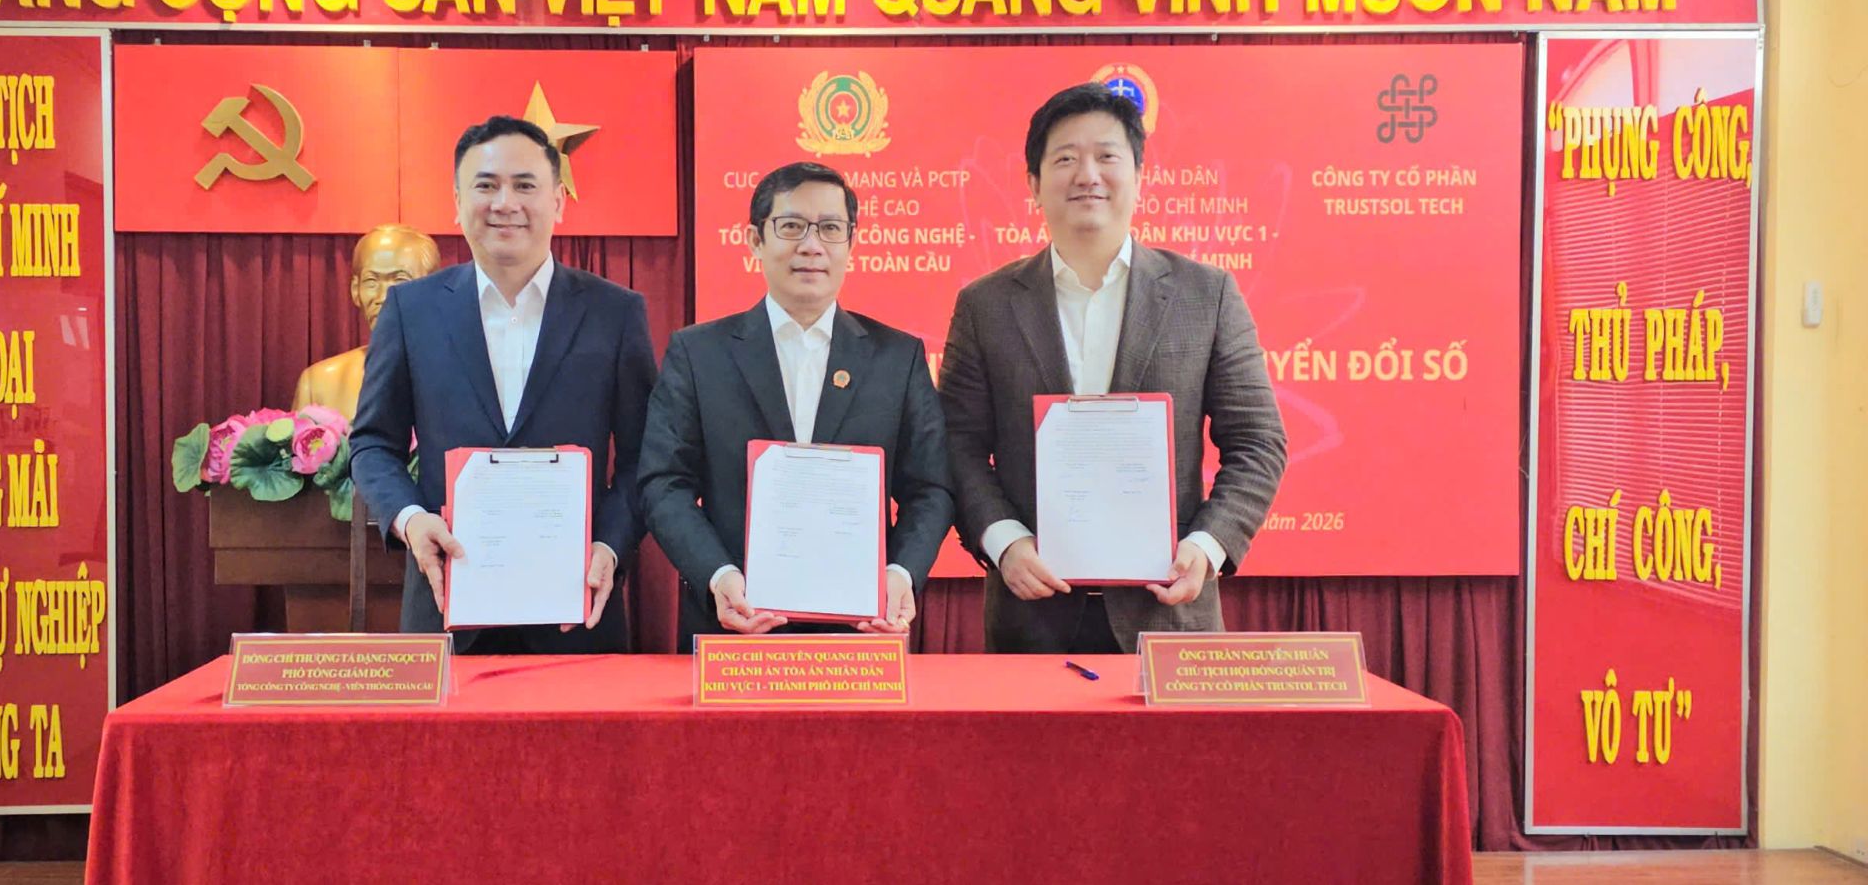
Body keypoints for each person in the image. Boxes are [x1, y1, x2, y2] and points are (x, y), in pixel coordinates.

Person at [939, 83, 1287, 653]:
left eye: (1106, 156)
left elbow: (1258, 441)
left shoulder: (1207, 295)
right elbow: (957, 443)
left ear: (1139, 175)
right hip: (1033, 618)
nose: (1087, 175)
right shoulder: (986, 305)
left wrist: (1206, 545)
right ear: (1034, 184)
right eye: (1065, 159)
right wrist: (1004, 541)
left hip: (1168, 614)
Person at [351, 115, 657, 652]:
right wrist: (411, 520)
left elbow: (643, 458)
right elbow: (373, 443)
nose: (504, 203)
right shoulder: (411, 310)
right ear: (457, 202)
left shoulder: (615, 313)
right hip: (447, 610)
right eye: (486, 185)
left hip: (578, 615)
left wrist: (610, 546)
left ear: (558, 202)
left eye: (525, 185)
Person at [640, 161, 954, 650]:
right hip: (733, 625)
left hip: (860, 632)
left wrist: (899, 573)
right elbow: (663, 482)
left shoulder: (898, 357)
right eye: (791, 227)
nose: (811, 245)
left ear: (851, 243)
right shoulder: (699, 353)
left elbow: (930, 488)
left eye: (830, 228)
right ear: (755, 240)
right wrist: (717, 575)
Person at [291, 224, 440, 420]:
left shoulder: (462, 377)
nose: (383, 297)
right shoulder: (319, 383)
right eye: (371, 281)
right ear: (355, 290)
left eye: (400, 280)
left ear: (433, 288)